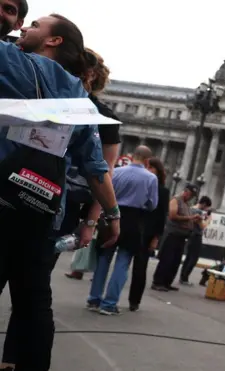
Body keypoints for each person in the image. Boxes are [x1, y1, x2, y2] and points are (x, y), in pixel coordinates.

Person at [0, 11, 119, 371]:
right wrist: (111, 216)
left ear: (54, 41)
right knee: (34, 302)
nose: (24, 26)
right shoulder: (78, 96)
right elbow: (96, 167)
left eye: (34, 25)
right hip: (42, 206)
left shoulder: (11, 61)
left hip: (2, 198)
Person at [64, 47, 121, 280]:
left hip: (62, 203)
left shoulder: (103, 116)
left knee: (32, 283)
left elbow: (102, 172)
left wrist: (91, 221)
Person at [87, 146, 158, 315]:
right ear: (147, 161)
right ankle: (109, 303)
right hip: (134, 219)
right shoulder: (150, 178)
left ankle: (94, 298)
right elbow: (152, 204)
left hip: (113, 214)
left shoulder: (117, 172)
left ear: (133, 156)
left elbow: (105, 192)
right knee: (123, 261)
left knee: (104, 258)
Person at [128, 157, 169, 312]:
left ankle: (134, 301)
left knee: (140, 268)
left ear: (158, 171)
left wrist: (156, 238)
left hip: (148, 233)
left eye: (151, 168)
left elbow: (162, 216)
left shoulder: (163, 191)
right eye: (146, 167)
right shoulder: (140, 183)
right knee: (122, 262)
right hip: (133, 227)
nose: (147, 171)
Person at [152, 184, 201, 292]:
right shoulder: (176, 200)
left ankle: (167, 282)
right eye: (191, 195)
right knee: (166, 259)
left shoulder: (186, 204)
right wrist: (190, 217)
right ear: (186, 191)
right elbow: (172, 215)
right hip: (172, 235)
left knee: (175, 261)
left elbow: (187, 219)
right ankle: (158, 282)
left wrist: (193, 221)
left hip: (182, 236)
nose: (191, 197)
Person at [179, 196, 213, 285]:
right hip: (196, 236)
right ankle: (185, 278)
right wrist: (208, 220)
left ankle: (182, 277)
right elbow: (203, 226)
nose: (206, 209)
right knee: (193, 258)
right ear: (204, 204)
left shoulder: (191, 209)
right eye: (206, 207)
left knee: (188, 257)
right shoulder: (198, 212)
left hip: (190, 234)